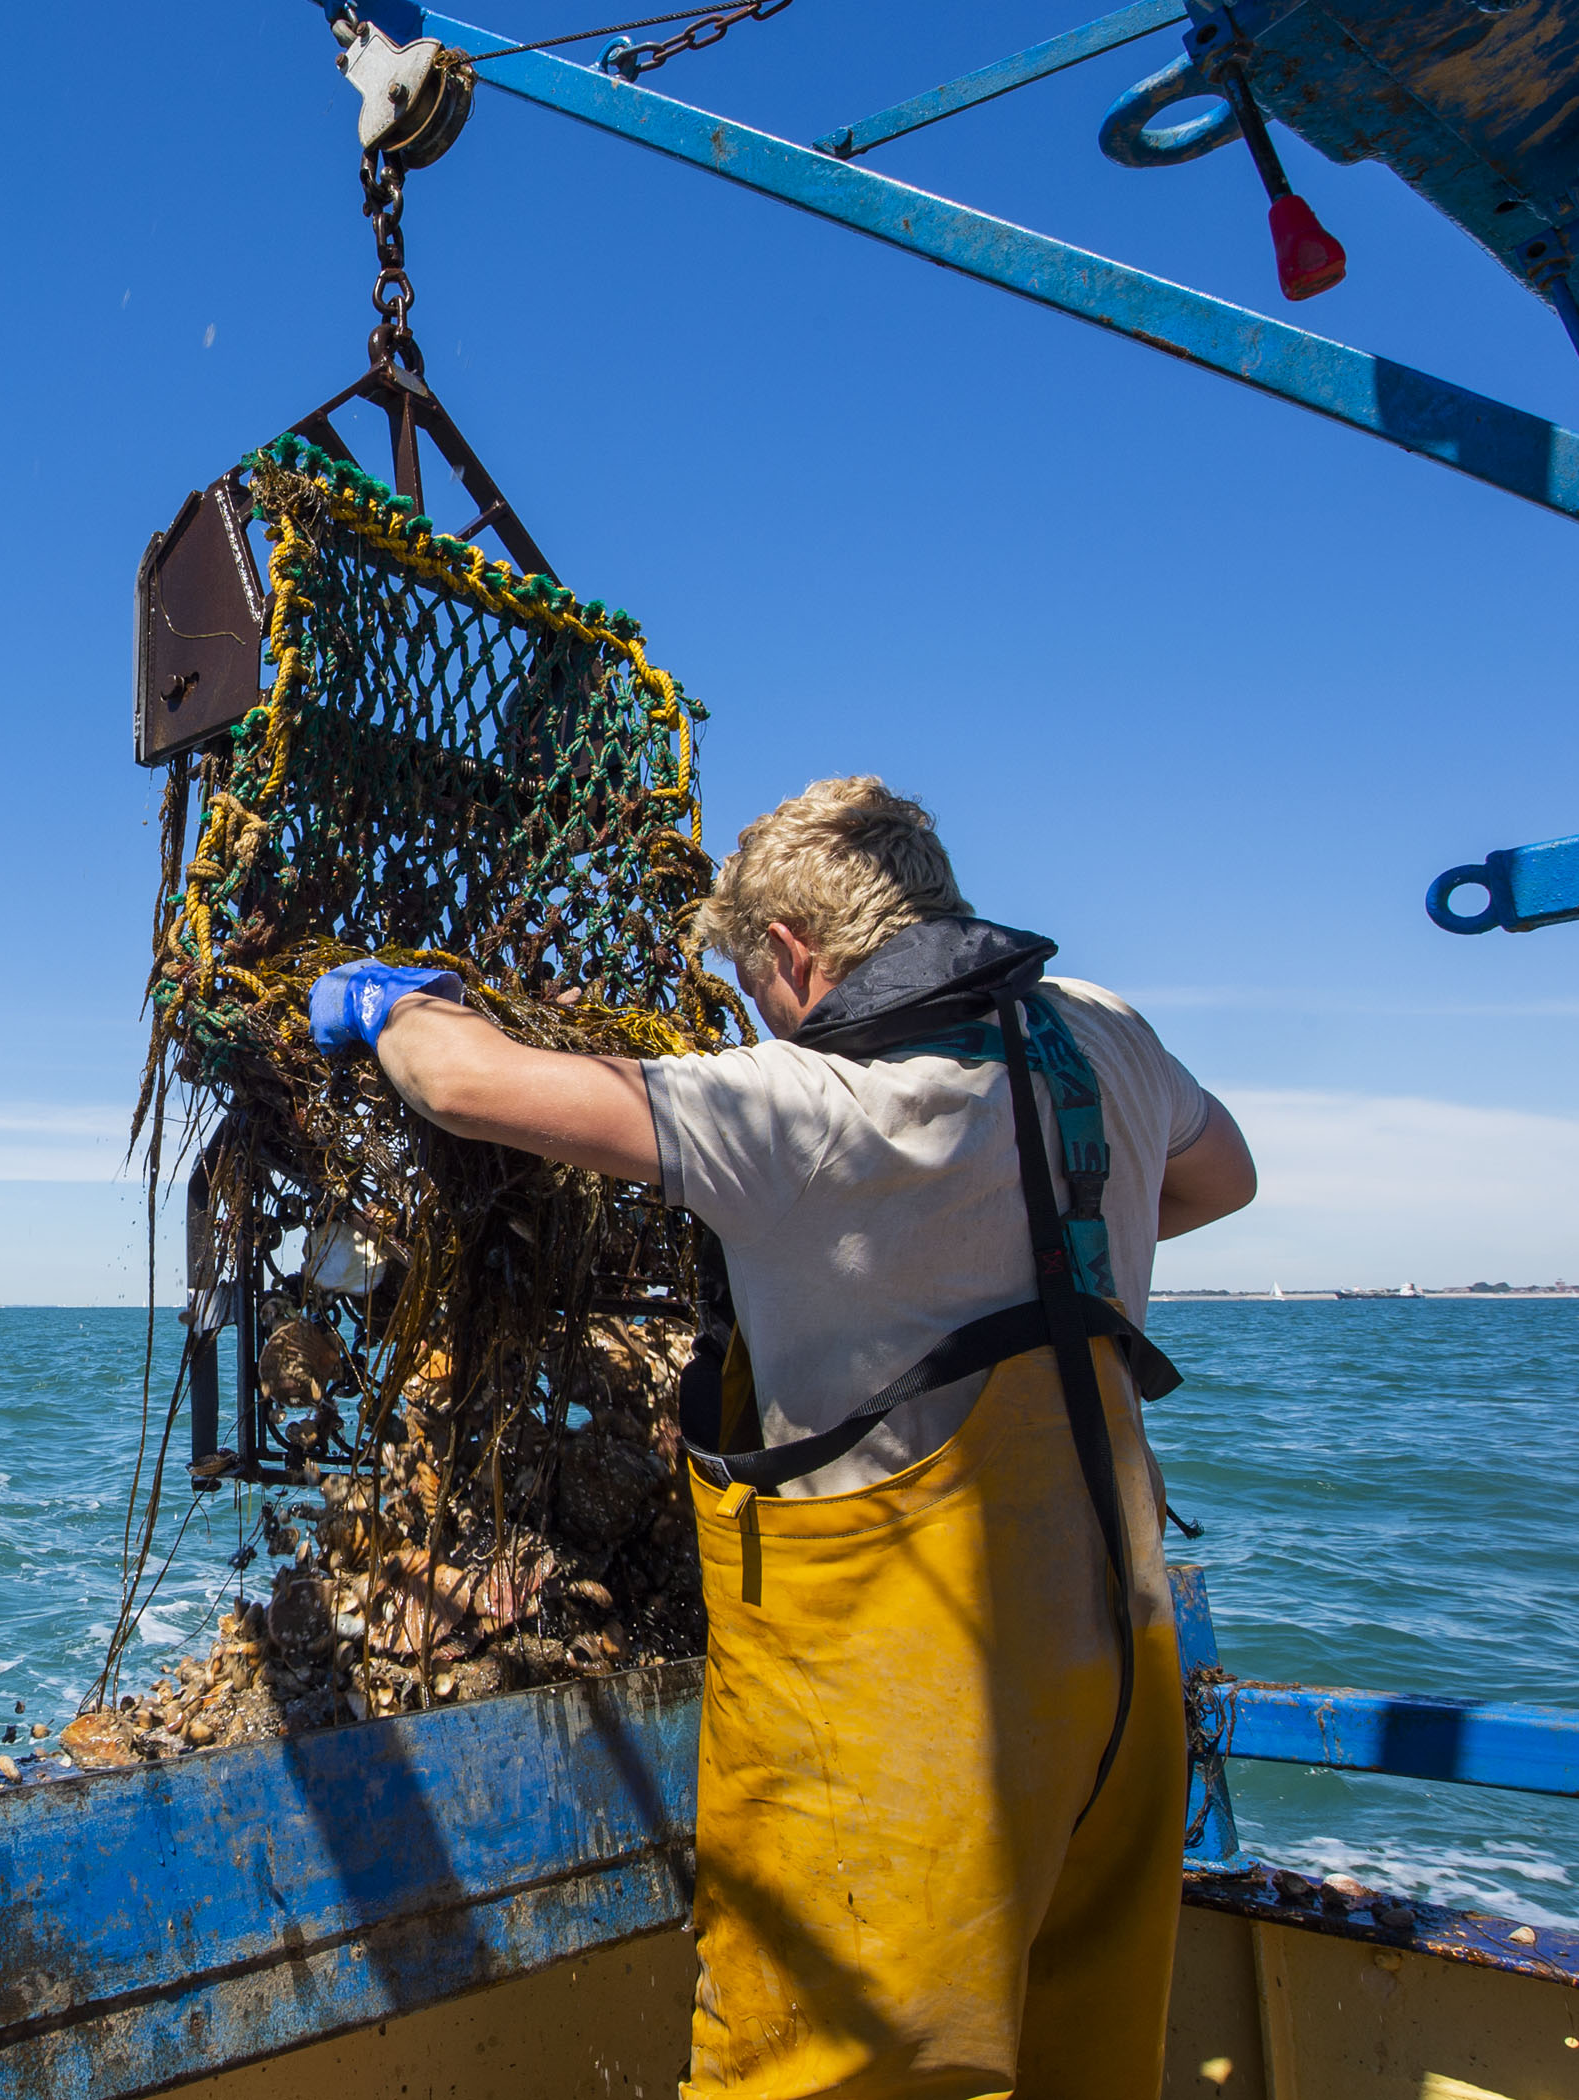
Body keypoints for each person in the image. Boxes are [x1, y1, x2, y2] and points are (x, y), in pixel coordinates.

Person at [307, 776, 1256, 2098]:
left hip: (914, 1721)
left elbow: (470, 1089)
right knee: (1079, 2060)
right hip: (1121, 1682)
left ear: (794, 956)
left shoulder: (801, 1111)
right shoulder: (1106, 1035)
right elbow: (1225, 1178)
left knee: (815, 2065)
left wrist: (394, 1009)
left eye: (755, 985)